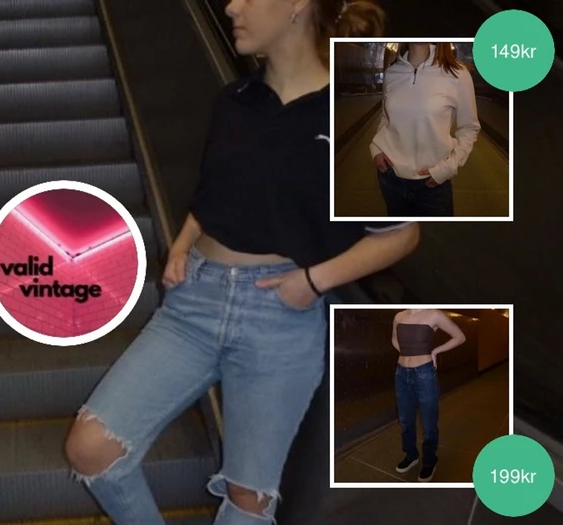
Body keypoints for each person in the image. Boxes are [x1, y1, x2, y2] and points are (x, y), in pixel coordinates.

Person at [64, 1, 419, 523]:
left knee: (249, 495)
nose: (232, 6)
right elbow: (214, 196)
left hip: (280, 317)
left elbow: (401, 234)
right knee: (91, 447)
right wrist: (183, 242)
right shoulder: (234, 100)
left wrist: (313, 281)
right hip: (194, 303)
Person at [370, 43, 481, 217]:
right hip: (391, 180)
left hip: (432, 185)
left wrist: (448, 168)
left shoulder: (457, 73)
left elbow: (469, 128)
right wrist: (376, 149)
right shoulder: (392, 73)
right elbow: (386, 118)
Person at [391, 308, 466, 482]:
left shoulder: (434, 314)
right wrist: (406, 352)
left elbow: (460, 337)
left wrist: (435, 351)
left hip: (424, 374)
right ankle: (411, 455)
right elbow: (394, 338)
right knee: (405, 420)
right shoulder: (399, 316)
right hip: (401, 374)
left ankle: (430, 461)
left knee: (429, 424)